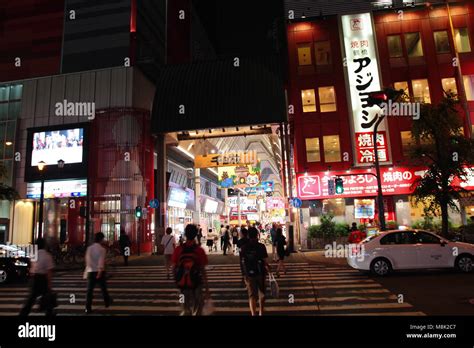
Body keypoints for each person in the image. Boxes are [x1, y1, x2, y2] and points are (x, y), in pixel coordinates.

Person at [172, 224, 210, 316]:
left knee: (184, 305)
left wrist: (177, 281)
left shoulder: (178, 249)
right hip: (196, 283)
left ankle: (185, 311)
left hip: (182, 285)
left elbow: (174, 268)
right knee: (198, 305)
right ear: (196, 234)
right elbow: (202, 270)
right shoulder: (199, 250)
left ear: (185, 234)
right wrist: (207, 287)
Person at [19, 238, 55, 317]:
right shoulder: (47, 255)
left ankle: (23, 314)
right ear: (44, 245)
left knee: (31, 299)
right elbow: (49, 272)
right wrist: (49, 284)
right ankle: (50, 313)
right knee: (47, 298)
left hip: (34, 278)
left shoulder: (33, 254)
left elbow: (32, 266)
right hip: (43, 279)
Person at [240, 227, 270, 316]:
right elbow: (264, 261)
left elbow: (242, 262)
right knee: (262, 293)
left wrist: (244, 275)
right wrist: (268, 268)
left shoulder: (244, 247)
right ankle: (261, 312)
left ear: (248, 235)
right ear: (257, 235)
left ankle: (253, 314)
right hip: (261, 273)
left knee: (252, 295)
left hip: (249, 274)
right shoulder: (261, 246)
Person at [85, 232, 112, 314]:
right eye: (103, 239)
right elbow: (101, 262)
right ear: (101, 239)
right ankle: (107, 302)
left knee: (89, 291)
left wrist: (88, 270)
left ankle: (87, 307)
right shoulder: (102, 249)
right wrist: (99, 273)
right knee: (103, 288)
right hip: (99, 272)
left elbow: (87, 260)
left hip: (90, 271)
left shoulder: (89, 248)